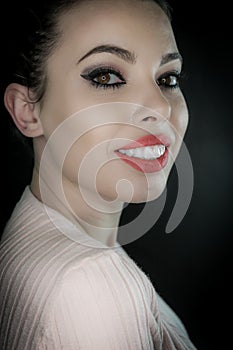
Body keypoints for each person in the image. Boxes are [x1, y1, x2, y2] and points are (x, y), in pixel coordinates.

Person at [0, 0, 197, 349]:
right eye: (106, 77)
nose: (160, 107)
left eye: (168, 78)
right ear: (28, 111)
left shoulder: (26, 236)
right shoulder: (89, 281)